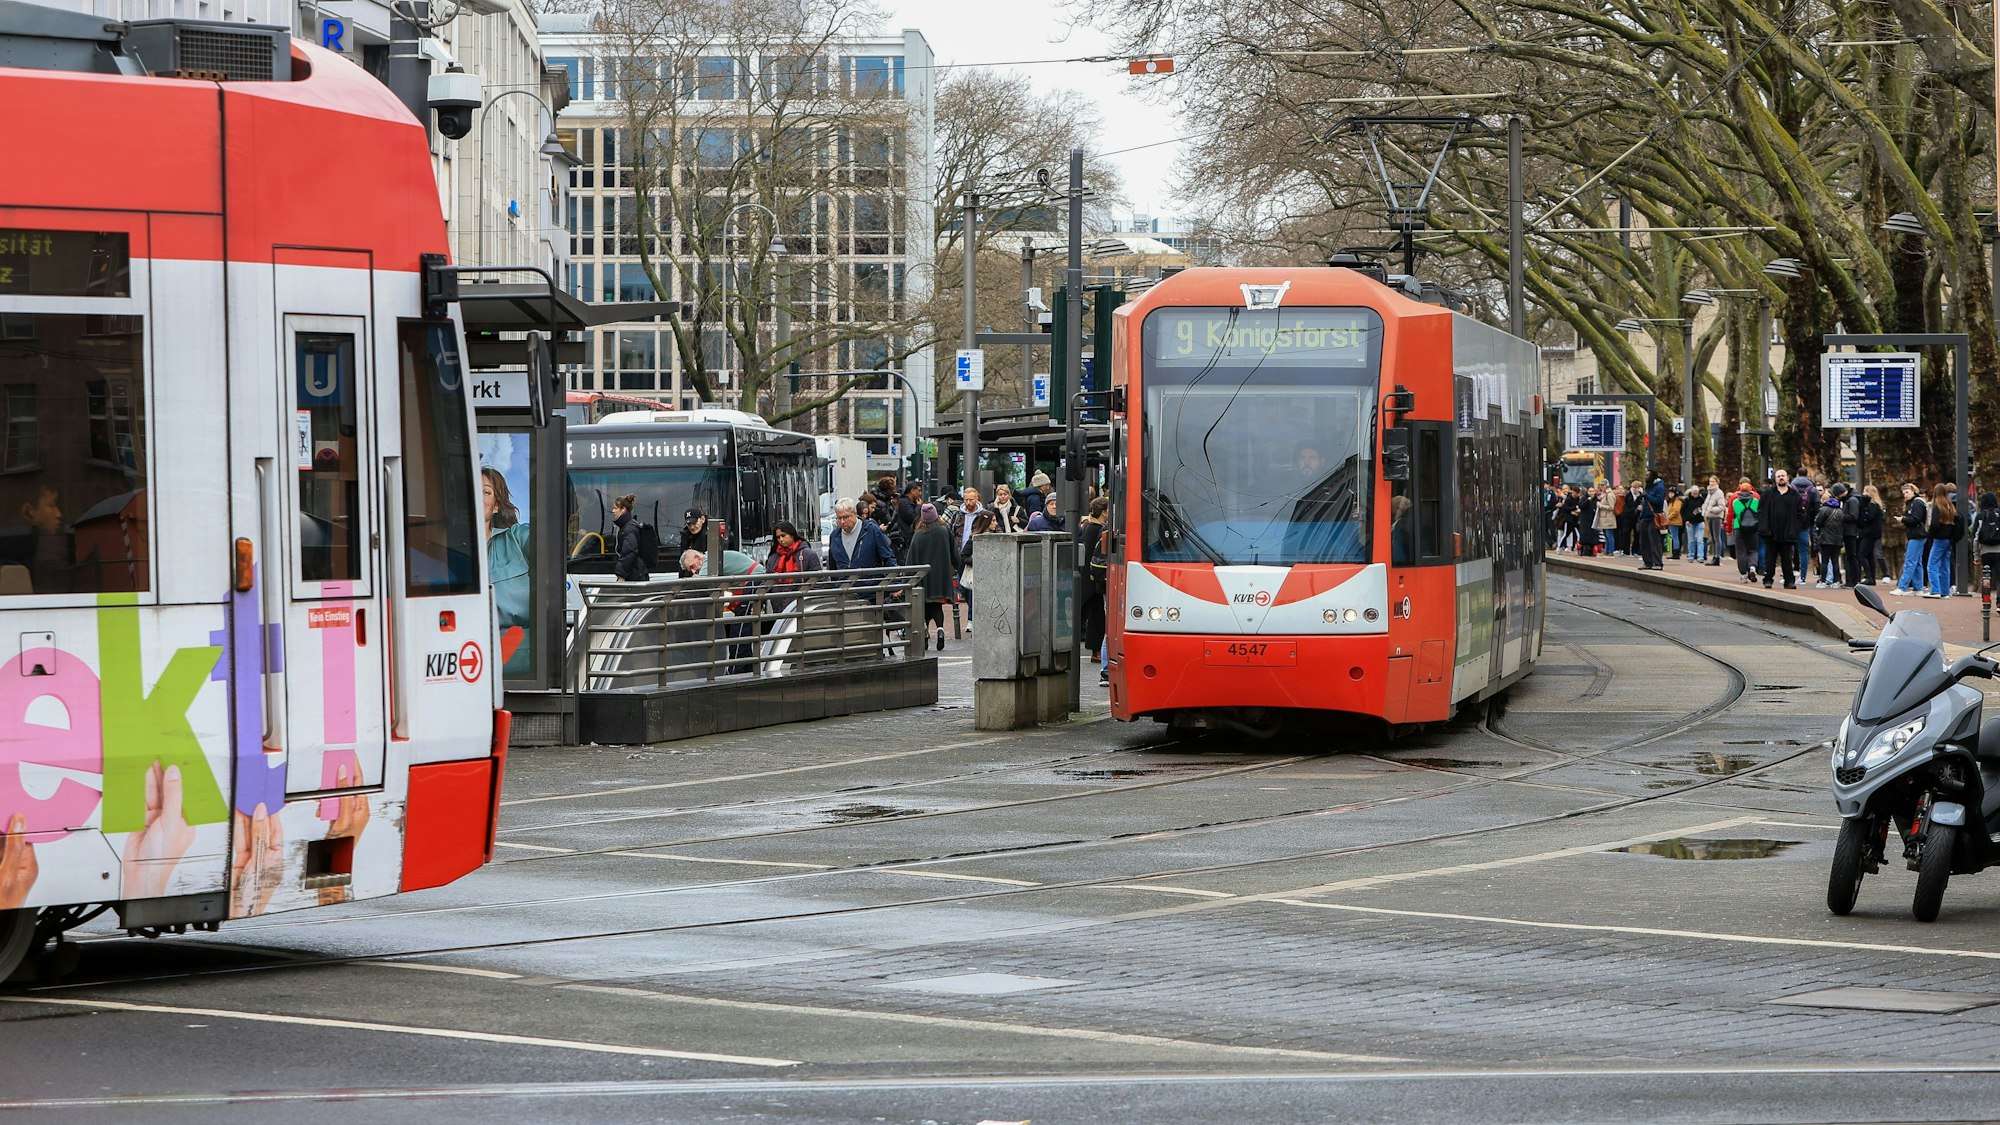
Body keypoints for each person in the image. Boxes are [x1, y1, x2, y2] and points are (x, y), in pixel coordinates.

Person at [481, 467, 533, 674]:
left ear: (496, 507)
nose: (477, 496)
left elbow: (548, 541)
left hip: (513, 645)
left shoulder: (516, 538)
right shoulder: (443, 547)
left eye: (486, 492)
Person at [905, 503, 957, 651]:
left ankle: (925, 633)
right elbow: (955, 554)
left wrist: (908, 577)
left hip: (923, 578)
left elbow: (911, 558)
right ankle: (940, 629)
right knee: (937, 606)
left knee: (925, 607)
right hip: (941, 577)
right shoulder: (944, 531)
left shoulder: (918, 534)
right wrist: (956, 566)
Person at [1077, 497, 1109, 670]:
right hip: (1093, 578)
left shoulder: (1088, 526)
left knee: (1090, 614)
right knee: (1097, 616)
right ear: (1103, 511)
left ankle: (1094, 649)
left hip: (1087, 577)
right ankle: (1096, 650)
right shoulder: (1097, 529)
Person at [1757, 470, 1802, 588]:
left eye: (1783, 476)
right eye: (1778, 476)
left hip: (1788, 533)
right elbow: (1760, 511)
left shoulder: (1794, 495)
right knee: (1770, 558)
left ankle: (1789, 581)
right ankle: (1768, 579)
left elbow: (1800, 513)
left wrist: (1795, 528)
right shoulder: (1767, 494)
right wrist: (1764, 527)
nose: (1781, 478)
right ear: (1775, 479)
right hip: (1771, 532)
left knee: (1787, 559)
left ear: (1788, 478)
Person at [828, 497, 898, 570]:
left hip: (869, 580)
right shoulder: (834, 536)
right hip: (844, 580)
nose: (842, 521)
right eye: (839, 518)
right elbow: (832, 567)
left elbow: (888, 558)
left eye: (845, 517)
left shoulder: (872, 530)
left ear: (855, 514)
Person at [1893, 482, 1930, 595]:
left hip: (1917, 535)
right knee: (1917, 562)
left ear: (1913, 491)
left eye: (1907, 492)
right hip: (1917, 534)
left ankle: (1902, 587)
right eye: (1904, 493)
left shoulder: (1917, 503)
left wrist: (1903, 519)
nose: (1905, 495)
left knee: (1910, 561)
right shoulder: (1916, 502)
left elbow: (1916, 519)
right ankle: (1918, 587)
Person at [1924, 483, 1960, 598]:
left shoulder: (1937, 506)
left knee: (1932, 565)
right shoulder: (1950, 506)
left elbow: (1934, 524)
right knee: (1945, 566)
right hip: (1949, 539)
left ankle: (1935, 590)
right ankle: (1945, 591)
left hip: (1939, 539)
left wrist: (1930, 534)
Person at [1812, 486, 1847, 587]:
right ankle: (1836, 581)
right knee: (1835, 561)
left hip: (1825, 538)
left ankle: (1823, 580)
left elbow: (1818, 523)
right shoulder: (1840, 511)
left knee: (1825, 561)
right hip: (1838, 539)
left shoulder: (1823, 510)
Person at [1729, 478, 1760, 582]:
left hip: (1739, 527)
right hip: (1754, 528)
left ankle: (1744, 574)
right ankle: (1752, 567)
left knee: (1741, 551)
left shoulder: (1735, 502)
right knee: (1753, 549)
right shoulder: (1756, 500)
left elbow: (1730, 515)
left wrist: (1728, 528)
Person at [1854, 484, 1886, 586]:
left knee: (1861, 554)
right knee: (1870, 555)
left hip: (1869, 533)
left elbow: (1869, 517)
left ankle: (1869, 576)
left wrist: (1864, 511)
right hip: (1875, 533)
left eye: (1865, 491)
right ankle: (1872, 576)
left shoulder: (1872, 505)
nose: (1863, 494)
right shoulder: (1878, 505)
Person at [612, 493, 649, 582]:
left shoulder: (629, 528)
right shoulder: (627, 526)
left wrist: (621, 575)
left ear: (623, 509)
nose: (613, 511)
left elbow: (629, 552)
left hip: (634, 577)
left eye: (615, 508)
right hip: (635, 575)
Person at [1636, 473, 1666, 570]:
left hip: (1654, 516)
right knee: (1644, 540)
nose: (1645, 477)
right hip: (1645, 516)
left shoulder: (1659, 487)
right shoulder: (1648, 486)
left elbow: (1659, 501)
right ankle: (1648, 562)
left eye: (1647, 475)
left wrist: (1647, 496)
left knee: (1654, 541)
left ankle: (1657, 563)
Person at [1973, 491, 2000, 594]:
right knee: (1999, 577)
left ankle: (1986, 603)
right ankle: (1999, 603)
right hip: (1999, 551)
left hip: (1985, 551)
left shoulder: (1980, 516)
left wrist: (1976, 556)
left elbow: (1976, 537)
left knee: (1986, 577)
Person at [1701, 476, 1728, 566]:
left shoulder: (1719, 493)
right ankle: (1714, 556)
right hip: (1710, 516)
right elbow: (1706, 503)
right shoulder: (1710, 492)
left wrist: (1711, 509)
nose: (1711, 483)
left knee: (1717, 537)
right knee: (1713, 537)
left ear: (1717, 482)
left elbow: (1721, 506)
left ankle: (1717, 557)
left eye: (1713, 481)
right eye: (1710, 481)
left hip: (1716, 516)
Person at [1680, 484, 1706, 563]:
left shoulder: (1702, 500)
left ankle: (1700, 556)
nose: (1695, 494)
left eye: (1696, 493)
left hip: (1699, 521)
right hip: (1690, 522)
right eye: (1694, 493)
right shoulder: (1687, 500)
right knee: (1691, 540)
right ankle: (1691, 555)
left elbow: (1704, 508)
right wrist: (1686, 520)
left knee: (1700, 540)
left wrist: (1701, 512)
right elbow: (1682, 511)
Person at [1592, 481, 1619, 557]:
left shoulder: (1609, 494)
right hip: (1604, 518)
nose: (1601, 487)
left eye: (1603, 485)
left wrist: (1600, 505)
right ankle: (1607, 550)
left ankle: (1611, 551)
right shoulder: (1604, 494)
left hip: (1608, 517)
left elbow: (1611, 507)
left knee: (1609, 534)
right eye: (1600, 485)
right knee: (1606, 535)